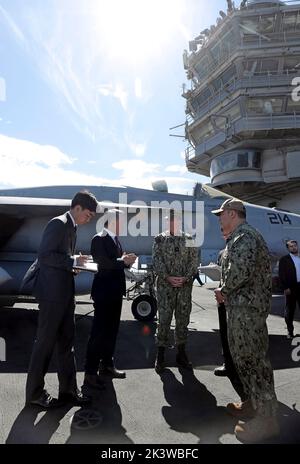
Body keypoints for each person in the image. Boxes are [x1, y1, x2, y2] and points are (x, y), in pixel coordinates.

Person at [212, 198, 279, 443]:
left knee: (255, 363)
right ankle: (253, 405)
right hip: (240, 312)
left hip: (248, 313)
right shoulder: (236, 239)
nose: (219, 218)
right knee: (244, 361)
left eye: (221, 214)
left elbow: (238, 272)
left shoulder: (246, 237)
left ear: (232, 213)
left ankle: (267, 419)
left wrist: (224, 291)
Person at [25, 190, 98, 408]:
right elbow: (45, 256)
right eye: (88, 215)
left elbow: (61, 260)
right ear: (77, 208)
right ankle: (34, 393)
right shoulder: (58, 223)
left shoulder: (72, 227)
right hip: (52, 296)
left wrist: (74, 265)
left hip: (65, 294)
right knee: (45, 345)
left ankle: (68, 391)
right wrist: (72, 261)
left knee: (67, 344)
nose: (89, 219)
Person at [84, 209, 136, 387]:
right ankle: (90, 373)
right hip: (104, 293)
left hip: (115, 292)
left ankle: (107, 365)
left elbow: (114, 261)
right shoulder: (99, 238)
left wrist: (125, 259)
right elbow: (103, 263)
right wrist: (124, 261)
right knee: (98, 333)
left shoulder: (115, 239)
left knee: (112, 332)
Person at [152, 211, 198, 373]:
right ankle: (160, 354)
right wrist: (168, 277)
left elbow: (194, 261)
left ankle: (181, 353)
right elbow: (157, 261)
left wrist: (185, 277)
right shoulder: (160, 239)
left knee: (182, 320)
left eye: (175, 220)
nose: (172, 223)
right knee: (163, 320)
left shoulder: (190, 239)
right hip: (166, 287)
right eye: (169, 221)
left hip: (184, 288)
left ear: (179, 222)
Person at [278, 240, 300, 339]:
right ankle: (290, 331)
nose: (294, 248)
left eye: (295, 246)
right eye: (291, 246)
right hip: (291, 287)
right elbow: (281, 275)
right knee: (290, 310)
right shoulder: (284, 259)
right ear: (288, 248)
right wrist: (285, 287)